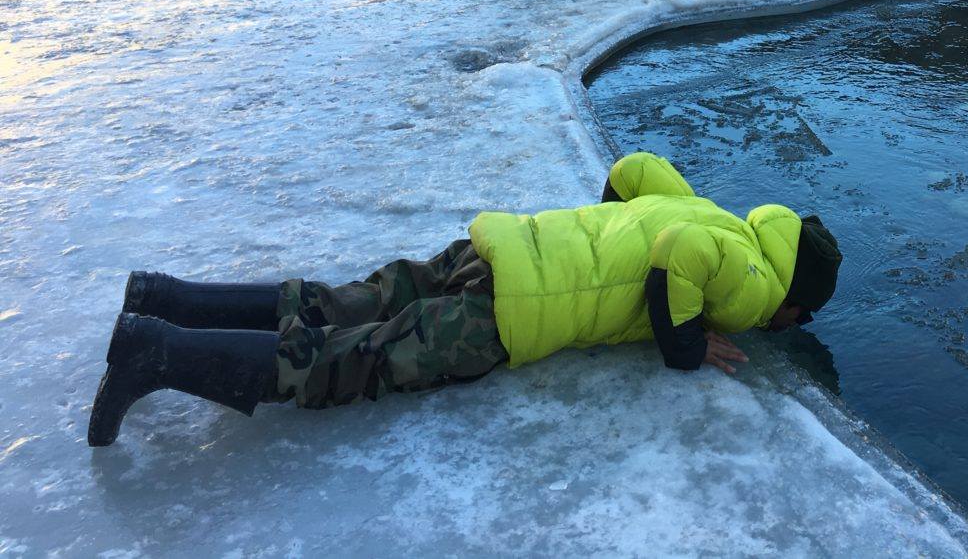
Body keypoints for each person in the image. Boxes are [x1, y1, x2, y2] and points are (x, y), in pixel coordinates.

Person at [88, 152, 842, 447]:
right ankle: (155, 350)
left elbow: (637, 168)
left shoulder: (716, 208)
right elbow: (682, 257)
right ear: (797, 303)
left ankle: (167, 296)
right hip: (505, 314)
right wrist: (682, 343)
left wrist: (601, 231)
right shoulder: (756, 286)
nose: (784, 323)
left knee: (337, 303)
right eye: (796, 318)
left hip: (494, 247)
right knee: (343, 361)